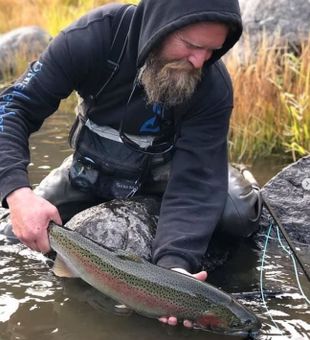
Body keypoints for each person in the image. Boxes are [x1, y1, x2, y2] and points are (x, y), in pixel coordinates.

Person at [0, 0, 244, 327]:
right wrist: (17, 194)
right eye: (192, 45)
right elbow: (13, 110)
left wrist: (174, 270)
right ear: (162, 26)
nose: (200, 61)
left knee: (235, 215)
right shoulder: (94, 37)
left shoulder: (213, 84)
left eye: (212, 50)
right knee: (12, 235)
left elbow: (195, 184)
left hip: (163, 183)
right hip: (88, 173)